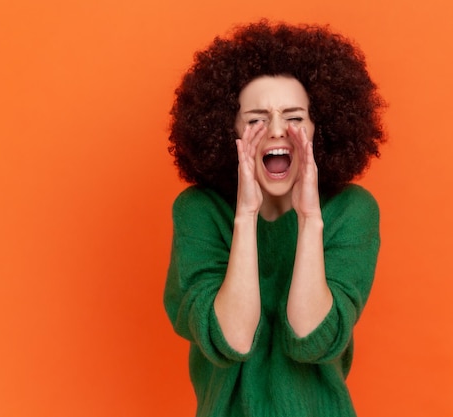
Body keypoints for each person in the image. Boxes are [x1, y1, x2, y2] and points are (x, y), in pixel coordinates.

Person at [164, 20, 385, 417]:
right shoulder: (198, 210)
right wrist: (246, 215)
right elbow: (233, 339)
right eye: (256, 119)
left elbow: (310, 338)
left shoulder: (352, 210)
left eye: (295, 117)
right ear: (228, 130)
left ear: (319, 129)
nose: (278, 131)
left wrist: (309, 218)